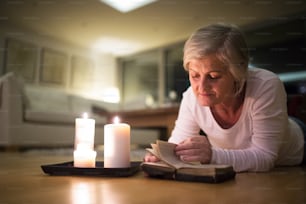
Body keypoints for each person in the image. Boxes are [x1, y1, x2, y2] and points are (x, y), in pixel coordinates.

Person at [144, 23, 306, 172]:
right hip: (245, 168)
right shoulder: (191, 98)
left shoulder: (265, 85)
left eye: (213, 76)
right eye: (194, 75)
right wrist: (164, 156)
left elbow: (264, 158)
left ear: (238, 74)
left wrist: (212, 155)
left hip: (296, 151)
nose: (201, 87)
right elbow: (178, 144)